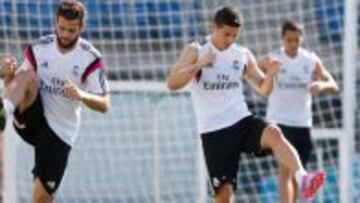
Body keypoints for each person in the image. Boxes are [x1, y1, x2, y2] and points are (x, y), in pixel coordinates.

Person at [167, 6, 325, 203]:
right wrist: (199, 65)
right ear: (214, 26)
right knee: (224, 197)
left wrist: (271, 76)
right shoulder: (196, 50)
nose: (230, 40)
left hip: (241, 120)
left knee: (274, 133)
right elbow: (172, 83)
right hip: (214, 131)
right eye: (226, 34)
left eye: (234, 35)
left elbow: (263, 88)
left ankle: (304, 179)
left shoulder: (241, 54)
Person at [0, 1, 110, 202]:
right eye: (61, 28)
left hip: (60, 132)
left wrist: (81, 95)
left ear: (81, 27)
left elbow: (105, 104)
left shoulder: (90, 57)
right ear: (55, 23)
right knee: (26, 75)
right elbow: (17, 85)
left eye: (71, 30)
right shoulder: (40, 48)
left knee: (41, 198)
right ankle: (2, 112)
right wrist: (7, 76)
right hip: (32, 119)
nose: (65, 34)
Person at [260, 21, 339, 203]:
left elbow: (333, 84)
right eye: (289, 40)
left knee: (297, 175)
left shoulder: (310, 60)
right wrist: (266, 80)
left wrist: (322, 85)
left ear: (301, 38)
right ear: (282, 39)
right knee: (284, 171)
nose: (293, 44)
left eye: (297, 40)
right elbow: (252, 71)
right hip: (278, 122)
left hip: (302, 123)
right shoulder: (273, 59)